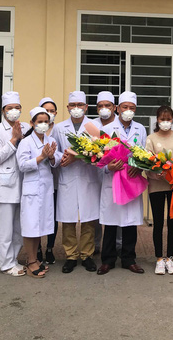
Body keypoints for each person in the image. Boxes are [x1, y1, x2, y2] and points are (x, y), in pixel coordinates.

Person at [97, 91, 146, 275]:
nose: (128, 111)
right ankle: (107, 260)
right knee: (111, 222)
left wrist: (139, 167)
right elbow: (99, 158)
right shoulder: (108, 129)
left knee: (130, 223)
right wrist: (108, 167)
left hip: (131, 178)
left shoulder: (140, 129)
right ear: (117, 109)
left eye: (132, 108)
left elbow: (144, 154)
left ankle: (129, 259)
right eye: (125, 107)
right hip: (113, 178)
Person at [53, 91, 99, 274]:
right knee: (68, 219)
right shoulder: (59, 127)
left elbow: (100, 151)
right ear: (67, 108)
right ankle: (71, 256)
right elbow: (55, 150)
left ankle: (87, 255)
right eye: (73, 105)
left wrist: (79, 156)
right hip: (68, 177)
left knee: (88, 219)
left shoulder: (93, 126)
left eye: (80, 105)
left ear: (86, 107)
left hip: (89, 177)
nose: (76, 108)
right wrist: (63, 158)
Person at [16, 107, 62, 278]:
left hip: (46, 189)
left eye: (46, 121)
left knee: (40, 227)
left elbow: (57, 161)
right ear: (32, 123)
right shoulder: (26, 142)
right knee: (31, 227)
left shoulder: (51, 140)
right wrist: (41, 157)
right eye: (39, 121)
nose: (43, 124)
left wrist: (51, 157)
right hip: (32, 189)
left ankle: (35, 259)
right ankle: (30, 261)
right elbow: (22, 165)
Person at [0, 92, 28, 277]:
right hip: (5, 185)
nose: (14, 111)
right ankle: (6, 264)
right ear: (3, 111)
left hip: (23, 183)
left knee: (19, 228)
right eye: (10, 108)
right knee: (5, 229)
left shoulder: (26, 127)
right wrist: (14, 139)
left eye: (17, 108)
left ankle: (14, 259)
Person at [145, 105, 173, 275]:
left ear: (172, 120)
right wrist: (155, 172)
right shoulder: (151, 139)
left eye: (168, 119)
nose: (165, 122)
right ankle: (159, 259)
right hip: (156, 186)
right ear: (157, 120)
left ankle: (170, 258)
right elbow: (146, 162)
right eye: (162, 119)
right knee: (158, 222)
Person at [91, 90, 118, 254]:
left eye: (107, 105)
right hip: (95, 175)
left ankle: (118, 245)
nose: (104, 109)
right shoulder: (91, 125)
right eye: (100, 106)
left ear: (114, 107)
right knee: (95, 211)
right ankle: (95, 245)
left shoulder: (119, 125)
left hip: (115, 174)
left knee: (116, 210)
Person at [37, 97, 59, 264]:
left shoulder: (59, 130)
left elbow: (62, 153)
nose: (49, 114)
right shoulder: (32, 132)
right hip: (37, 180)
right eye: (46, 110)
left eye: (52, 111)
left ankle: (50, 248)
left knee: (53, 216)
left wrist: (53, 157)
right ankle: (37, 248)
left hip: (56, 179)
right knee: (37, 215)